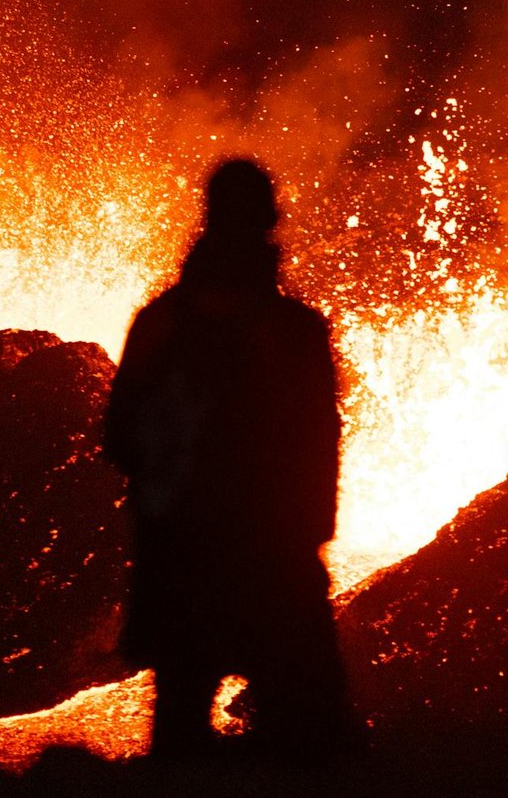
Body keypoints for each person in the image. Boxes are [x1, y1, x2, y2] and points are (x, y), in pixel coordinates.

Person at [104, 158, 351, 760]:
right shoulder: (295, 331)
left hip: (182, 558)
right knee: (313, 741)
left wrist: (163, 508)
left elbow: (119, 435)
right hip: (273, 561)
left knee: (181, 734)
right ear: (270, 222)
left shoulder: (161, 322)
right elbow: (319, 443)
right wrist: (307, 535)